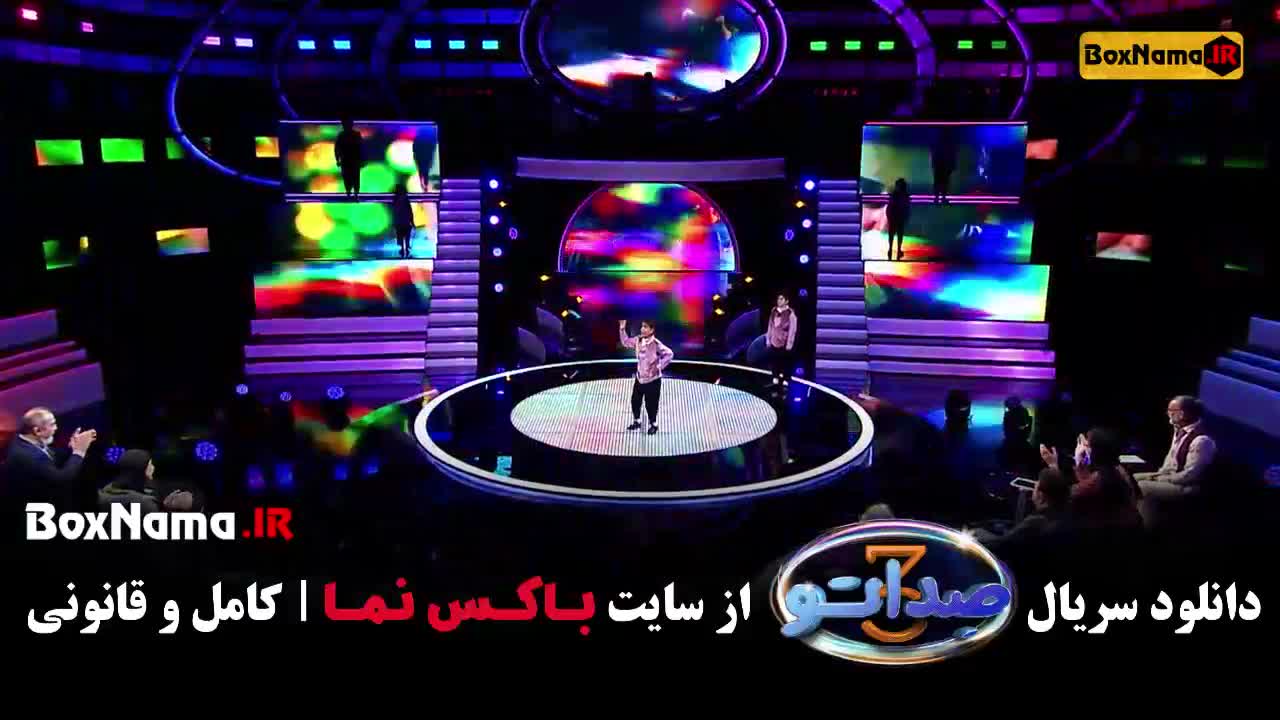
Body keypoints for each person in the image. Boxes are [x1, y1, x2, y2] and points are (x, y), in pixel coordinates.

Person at [2, 407, 96, 510]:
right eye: (52, 424)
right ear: (37, 430)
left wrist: (72, 448)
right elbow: (61, 479)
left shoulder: (25, 440)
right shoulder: (27, 455)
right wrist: (79, 451)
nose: (56, 428)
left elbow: (50, 455)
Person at [1135, 395, 1216, 501]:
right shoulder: (1179, 430)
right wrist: (1158, 475)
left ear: (1182, 414)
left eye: (1171, 410)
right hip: (1171, 476)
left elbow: (1190, 476)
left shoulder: (1202, 440)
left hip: (1188, 486)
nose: (1168, 413)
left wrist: (1159, 479)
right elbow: (1170, 462)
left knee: (1141, 486)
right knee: (1130, 479)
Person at [972, 467, 1071, 548]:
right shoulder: (1067, 514)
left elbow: (999, 544)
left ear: (1041, 495)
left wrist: (975, 533)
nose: (1033, 492)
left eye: (1035, 488)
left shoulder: (1036, 522)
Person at [619, 319, 674, 435]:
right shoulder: (638, 340)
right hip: (640, 378)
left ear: (651, 330)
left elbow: (669, 354)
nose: (642, 329)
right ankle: (637, 421)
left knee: (651, 404)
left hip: (653, 380)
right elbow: (625, 342)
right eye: (642, 326)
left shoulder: (656, 344)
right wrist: (622, 328)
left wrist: (659, 366)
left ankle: (653, 424)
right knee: (635, 401)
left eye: (645, 327)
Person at [99, 449, 195, 512]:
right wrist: (167, 509)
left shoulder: (102, 494)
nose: (153, 468)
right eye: (149, 465)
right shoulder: (145, 504)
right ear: (140, 469)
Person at [765, 292, 798, 388]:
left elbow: (792, 330)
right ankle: (775, 376)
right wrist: (768, 339)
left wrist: (789, 343)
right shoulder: (774, 311)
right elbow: (770, 326)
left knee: (785, 361)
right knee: (774, 360)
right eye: (778, 299)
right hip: (774, 340)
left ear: (786, 301)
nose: (779, 301)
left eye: (781, 299)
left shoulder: (790, 314)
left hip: (784, 341)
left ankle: (786, 379)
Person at [334, 116, 364, 199]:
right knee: (352, 177)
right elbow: (337, 148)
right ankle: (352, 194)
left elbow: (337, 148)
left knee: (351, 177)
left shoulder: (342, 135)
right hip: (350, 160)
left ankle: (352, 194)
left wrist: (337, 159)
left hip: (350, 160)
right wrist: (337, 159)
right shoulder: (352, 135)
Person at [885, 178, 911, 260]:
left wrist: (889, 216)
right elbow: (906, 207)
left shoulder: (894, 195)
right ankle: (898, 250)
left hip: (893, 217)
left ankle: (890, 250)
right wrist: (906, 216)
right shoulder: (905, 195)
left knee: (891, 234)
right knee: (899, 234)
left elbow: (889, 206)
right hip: (900, 217)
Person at [931, 127, 957, 203]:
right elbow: (951, 154)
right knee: (943, 182)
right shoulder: (949, 143)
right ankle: (941, 198)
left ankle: (938, 198)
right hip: (943, 164)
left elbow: (934, 153)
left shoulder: (938, 142)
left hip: (939, 164)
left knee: (939, 181)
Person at [392, 185, 414, 258]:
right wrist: (412, 221)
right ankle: (406, 247)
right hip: (405, 221)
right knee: (406, 235)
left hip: (400, 221)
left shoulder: (395, 200)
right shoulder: (405, 200)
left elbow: (394, 212)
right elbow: (410, 211)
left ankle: (403, 248)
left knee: (401, 235)